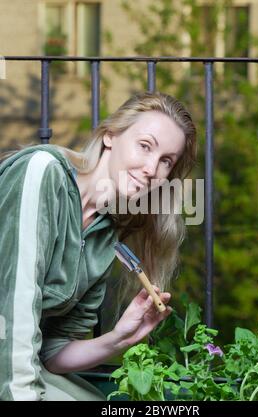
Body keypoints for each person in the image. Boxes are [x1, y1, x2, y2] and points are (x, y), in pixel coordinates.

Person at [0, 91, 197, 401]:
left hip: (20, 363)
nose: (151, 168)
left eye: (165, 161)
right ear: (109, 136)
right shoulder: (42, 171)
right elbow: (14, 309)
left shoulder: (105, 235)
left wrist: (118, 339)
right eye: (145, 146)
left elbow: (52, 353)